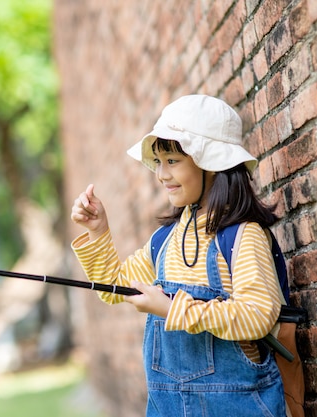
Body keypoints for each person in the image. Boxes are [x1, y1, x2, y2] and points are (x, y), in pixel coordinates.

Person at [70, 94, 287, 417]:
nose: (161, 174)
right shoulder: (165, 242)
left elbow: (257, 315)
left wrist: (172, 309)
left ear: (211, 165)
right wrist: (98, 231)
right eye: (158, 162)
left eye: (173, 161)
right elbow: (114, 287)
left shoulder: (242, 236)